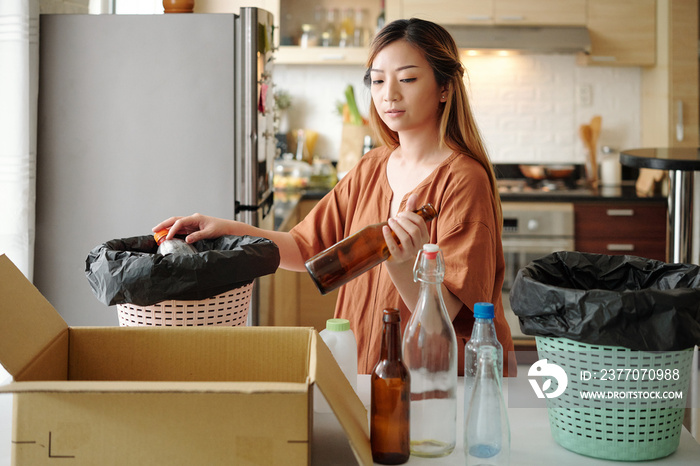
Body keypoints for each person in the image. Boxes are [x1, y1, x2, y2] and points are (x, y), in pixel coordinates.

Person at [154, 18, 514, 376]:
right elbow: (304, 247)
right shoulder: (371, 166)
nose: (389, 94)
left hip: (433, 381)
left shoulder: (464, 179)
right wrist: (226, 233)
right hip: (363, 365)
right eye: (377, 80)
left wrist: (401, 263)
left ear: (445, 88)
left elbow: (444, 318)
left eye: (407, 79)